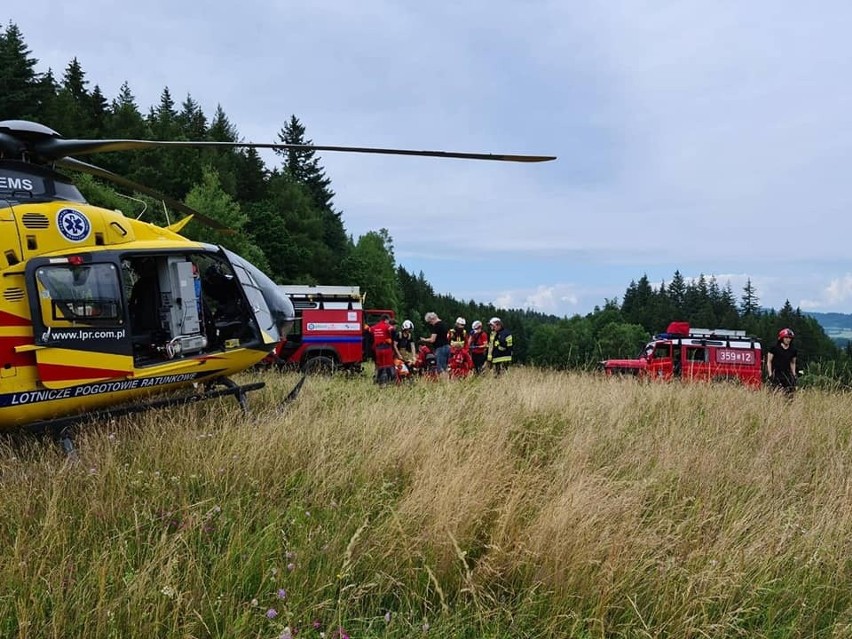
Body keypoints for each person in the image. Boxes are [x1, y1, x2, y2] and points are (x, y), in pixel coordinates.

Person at [767, 327, 797, 395]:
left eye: (790, 338)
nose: (788, 340)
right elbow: (769, 361)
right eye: (786, 338)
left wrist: (794, 374)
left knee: (789, 393)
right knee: (775, 392)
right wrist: (770, 373)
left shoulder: (793, 350)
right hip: (776, 373)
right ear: (782, 338)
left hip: (787, 374)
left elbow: (793, 362)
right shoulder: (774, 348)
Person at [369, 314, 395, 385]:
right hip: (386, 349)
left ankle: (378, 381)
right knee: (388, 365)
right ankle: (390, 381)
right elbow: (392, 330)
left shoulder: (375, 327)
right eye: (388, 321)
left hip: (378, 349)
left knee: (380, 366)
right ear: (386, 320)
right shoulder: (387, 326)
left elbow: (369, 330)